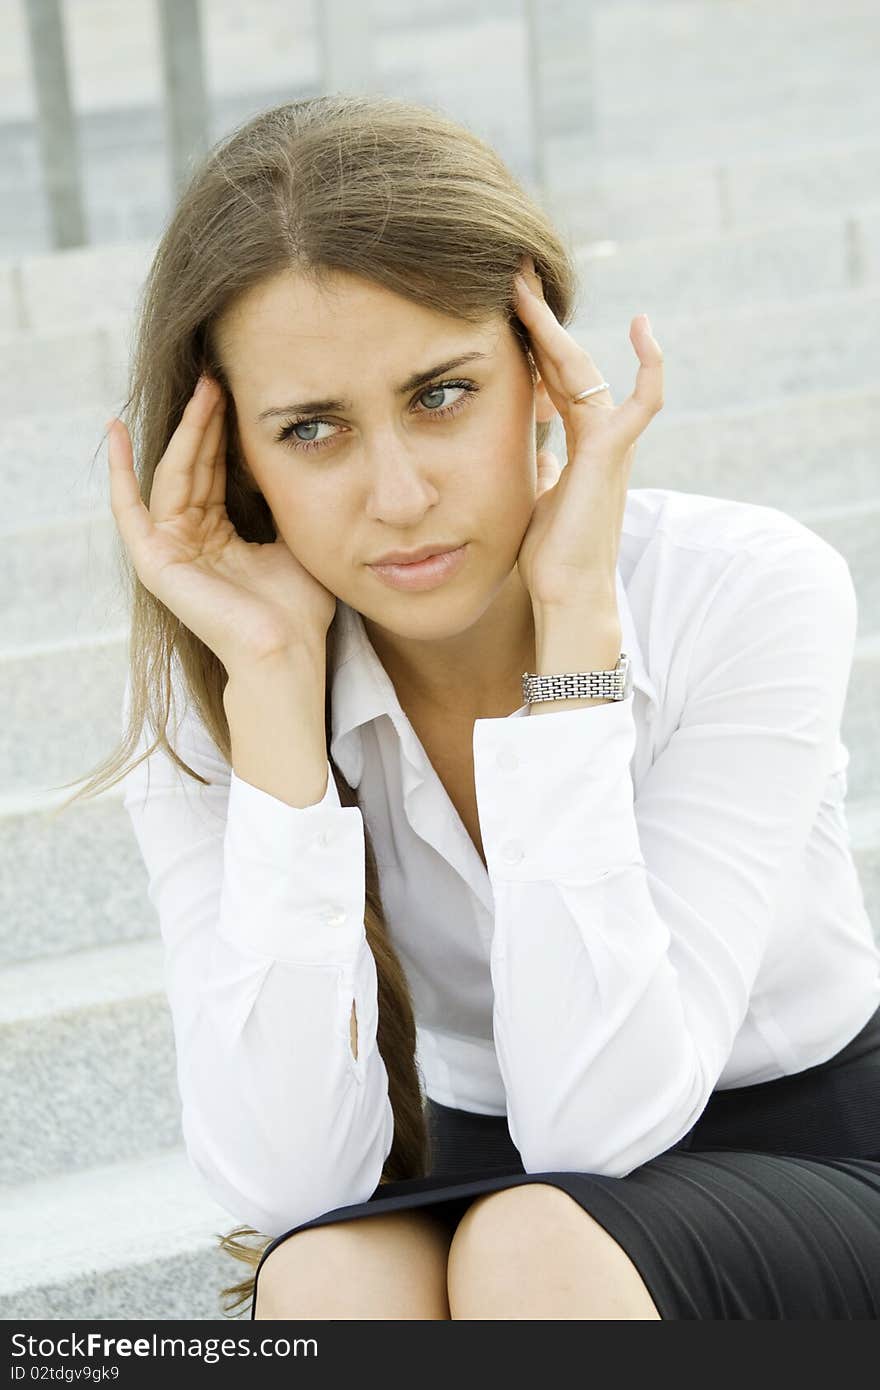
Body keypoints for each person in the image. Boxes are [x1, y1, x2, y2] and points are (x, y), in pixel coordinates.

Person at [57, 92, 880, 1320]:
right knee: (330, 1272)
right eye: (314, 429)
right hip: (500, 1182)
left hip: (813, 1162)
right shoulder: (219, 701)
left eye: (441, 394)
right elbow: (287, 1185)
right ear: (238, 463)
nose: (398, 495)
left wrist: (577, 656)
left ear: (542, 375)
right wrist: (278, 699)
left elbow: (597, 1128)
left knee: (533, 1246)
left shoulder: (743, 588)